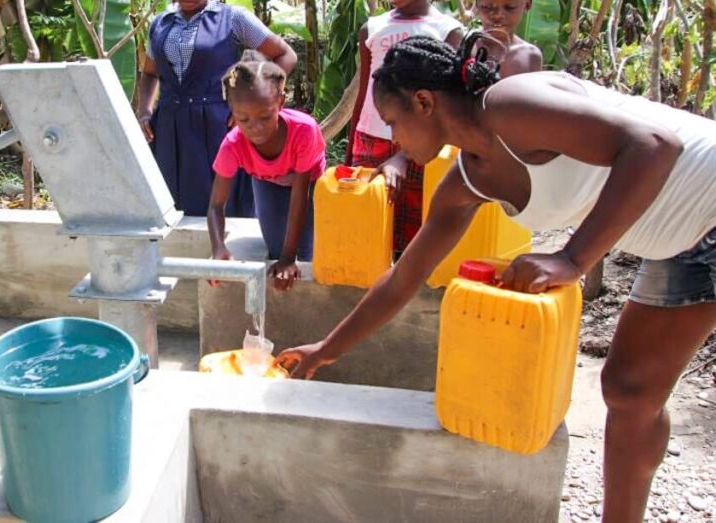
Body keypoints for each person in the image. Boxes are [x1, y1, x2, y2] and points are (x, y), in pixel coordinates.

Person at [277, 33, 716, 523]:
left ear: (425, 102)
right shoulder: (466, 182)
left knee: (629, 391)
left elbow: (655, 146)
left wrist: (572, 260)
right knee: (631, 392)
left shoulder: (510, 106)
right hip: (677, 240)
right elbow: (403, 279)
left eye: (395, 122)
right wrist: (328, 349)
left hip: (709, 205)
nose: (395, 140)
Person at [135, 0, 298, 218]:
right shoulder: (160, 24)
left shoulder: (233, 18)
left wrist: (259, 104)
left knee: (224, 207)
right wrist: (145, 111)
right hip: (170, 131)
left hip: (218, 127)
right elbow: (150, 73)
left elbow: (285, 55)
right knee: (173, 212)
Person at [345, 0, 463, 254]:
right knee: (369, 228)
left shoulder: (446, 31)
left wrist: (404, 154)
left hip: (421, 146)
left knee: (415, 230)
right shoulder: (372, 29)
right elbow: (364, 93)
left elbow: (447, 104)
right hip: (371, 140)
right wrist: (354, 147)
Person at [208, 52, 326, 291]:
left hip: (308, 182)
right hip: (267, 180)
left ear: (280, 103)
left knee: (306, 253)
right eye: (244, 119)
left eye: (265, 116)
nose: (256, 128)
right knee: (274, 249)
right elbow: (215, 206)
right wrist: (218, 247)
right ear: (232, 111)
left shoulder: (304, 130)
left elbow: (300, 195)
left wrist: (288, 259)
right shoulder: (233, 145)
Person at [475, 0, 543, 77]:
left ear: (527, 5)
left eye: (509, 7)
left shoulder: (530, 57)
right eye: (487, 6)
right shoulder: (464, 47)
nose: (497, 15)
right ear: (477, 3)